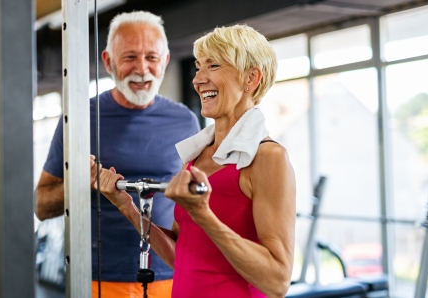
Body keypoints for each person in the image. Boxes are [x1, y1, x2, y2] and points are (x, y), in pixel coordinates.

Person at [92, 24, 296, 298]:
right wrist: (127, 207)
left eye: (213, 66)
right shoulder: (196, 158)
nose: (198, 79)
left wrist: (203, 215)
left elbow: (277, 281)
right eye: (198, 67)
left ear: (251, 78)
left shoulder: (269, 158)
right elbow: (183, 256)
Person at [35, 11, 200, 298]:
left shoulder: (185, 120)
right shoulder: (79, 118)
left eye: (151, 57)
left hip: (173, 273)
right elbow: (41, 206)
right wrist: (77, 183)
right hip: (98, 277)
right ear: (108, 61)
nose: (142, 69)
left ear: (165, 61)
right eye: (130, 57)